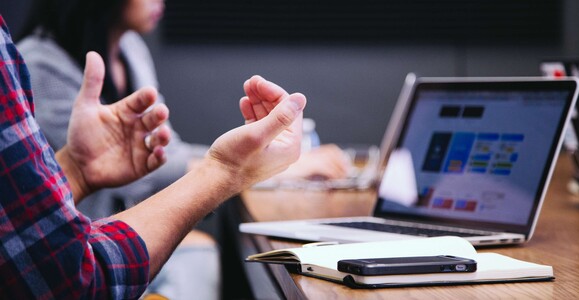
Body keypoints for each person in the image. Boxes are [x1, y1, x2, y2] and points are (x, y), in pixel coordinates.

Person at [16, 0, 348, 298]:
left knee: (204, 257)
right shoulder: (39, 64)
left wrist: (245, 163)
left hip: (119, 238)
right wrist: (245, 166)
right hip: (80, 254)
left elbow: (162, 153)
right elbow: (148, 175)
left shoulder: (130, 48)